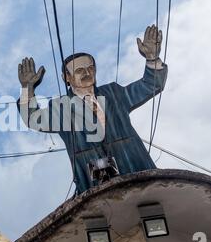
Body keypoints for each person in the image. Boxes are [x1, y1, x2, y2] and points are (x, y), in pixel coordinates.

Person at [17, 25, 168, 195]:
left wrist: (152, 58)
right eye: (79, 70)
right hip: (94, 185)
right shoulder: (61, 107)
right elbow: (32, 118)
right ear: (66, 78)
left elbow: (150, 85)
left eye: (90, 68)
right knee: (107, 207)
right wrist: (27, 89)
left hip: (138, 171)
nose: (87, 73)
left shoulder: (113, 93)